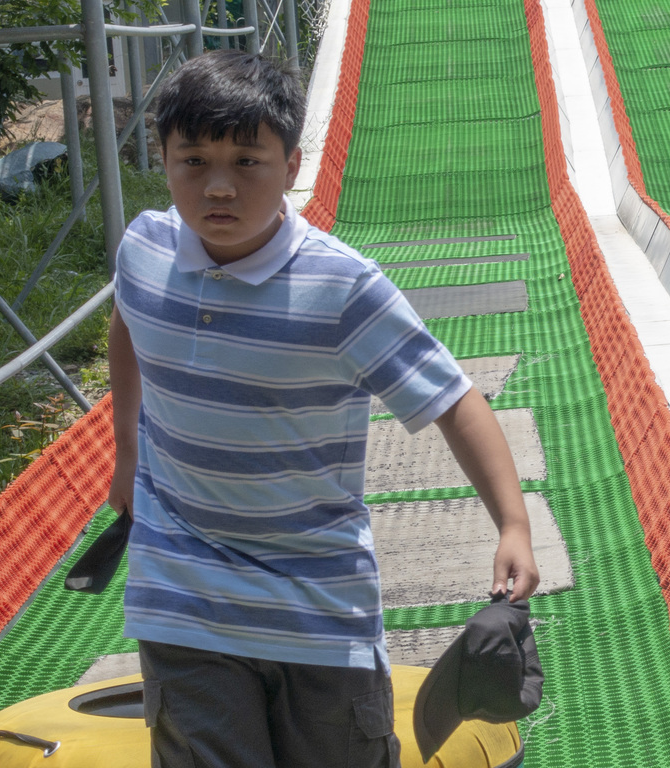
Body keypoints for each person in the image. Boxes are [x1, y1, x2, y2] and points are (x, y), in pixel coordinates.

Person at [105, 50, 540, 768]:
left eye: (248, 162)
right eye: (194, 161)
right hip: (183, 590)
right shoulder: (144, 248)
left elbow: (453, 399)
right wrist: (127, 451)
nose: (219, 185)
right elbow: (128, 320)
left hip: (316, 604)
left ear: (292, 166)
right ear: (164, 159)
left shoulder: (342, 289)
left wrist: (513, 524)